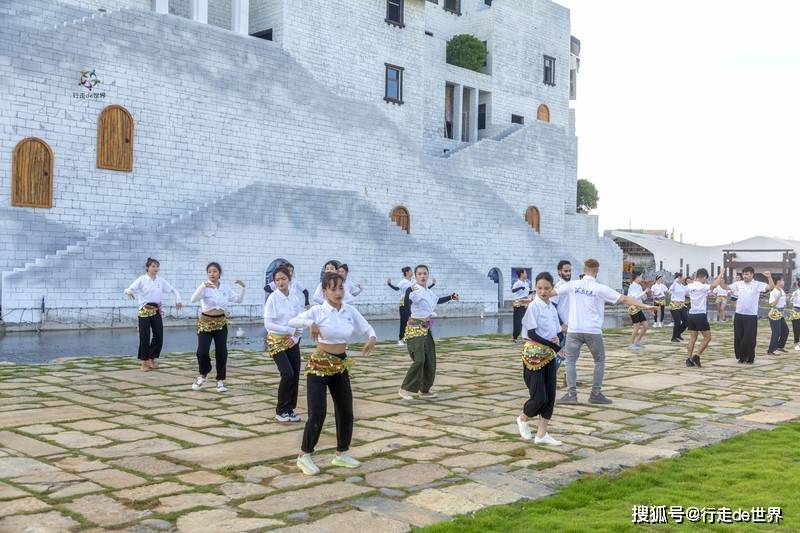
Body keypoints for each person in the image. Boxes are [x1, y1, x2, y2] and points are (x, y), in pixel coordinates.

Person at [288, 272, 377, 476]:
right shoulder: (318, 311)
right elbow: (293, 321)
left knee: (346, 411)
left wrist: (372, 338)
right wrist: (310, 324)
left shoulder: (349, 310)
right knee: (317, 413)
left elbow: (367, 327)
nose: (338, 292)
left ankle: (341, 453)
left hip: (340, 366)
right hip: (319, 365)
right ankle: (304, 455)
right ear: (325, 291)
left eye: (340, 288)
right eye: (333, 288)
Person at [555, 259, 656, 405]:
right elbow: (625, 299)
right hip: (593, 331)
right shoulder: (600, 288)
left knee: (570, 361)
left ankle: (572, 394)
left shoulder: (573, 285)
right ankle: (595, 393)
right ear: (597, 271)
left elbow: (550, 293)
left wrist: (532, 300)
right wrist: (645, 306)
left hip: (574, 329)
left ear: (584, 270)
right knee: (599, 361)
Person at [398, 265, 459, 400]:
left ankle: (425, 390)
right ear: (415, 276)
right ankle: (404, 389)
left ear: (428, 275)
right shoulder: (413, 290)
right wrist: (408, 291)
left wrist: (451, 296)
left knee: (430, 360)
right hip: (415, 329)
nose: (423, 276)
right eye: (419, 274)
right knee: (419, 360)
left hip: (426, 328)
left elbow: (438, 300)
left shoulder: (429, 292)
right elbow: (406, 303)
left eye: (425, 273)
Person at [516, 272, 563, 446]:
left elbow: (556, 329)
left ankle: (542, 434)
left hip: (549, 355)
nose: (543, 291)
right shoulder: (533, 306)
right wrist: (556, 347)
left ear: (552, 289)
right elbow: (532, 333)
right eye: (540, 288)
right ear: (535, 288)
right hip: (534, 357)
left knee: (550, 396)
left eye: (547, 288)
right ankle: (523, 418)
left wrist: (557, 338)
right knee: (539, 397)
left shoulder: (551, 307)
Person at [190, 262, 246, 392]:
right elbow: (193, 299)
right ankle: (203, 375)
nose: (212, 274)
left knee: (222, 352)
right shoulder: (204, 286)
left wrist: (243, 288)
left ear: (219, 273)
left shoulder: (225, 288)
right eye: (209, 272)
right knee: (202, 352)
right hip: (205, 323)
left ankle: (220, 380)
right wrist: (202, 286)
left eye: (214, 271)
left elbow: (238, 300)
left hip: (221, 323)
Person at [124, 257, 182, 372]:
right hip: (144, 310)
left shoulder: (161, 281)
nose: (156, 268)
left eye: (157, 266)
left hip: (156, 310)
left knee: (159, 336)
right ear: (148, 267)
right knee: (144, 337)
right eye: (153, 266)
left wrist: (178, 300)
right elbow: (128, 289)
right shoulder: (142, 279)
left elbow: (173, 290)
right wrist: (129, 291)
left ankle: (151, 358)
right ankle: (144, 362)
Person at [264, 265, 303, 422]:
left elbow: (300, 321)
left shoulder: (294, 298)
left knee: (295, 374)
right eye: (277, 279)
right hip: (276, 341)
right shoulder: (273, 298)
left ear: (289, 279)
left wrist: (295, 338)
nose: (280, 282)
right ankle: (280, 410)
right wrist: (287, 330)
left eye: (283, 279)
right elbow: (268, 324)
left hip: (292, 341)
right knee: (287, 373)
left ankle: (290, 409)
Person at [718, 267, 774, 364]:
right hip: (739, 314)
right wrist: (721, 280)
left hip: (751, 315)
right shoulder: (738, 284)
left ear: (752, 274)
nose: (745, 276)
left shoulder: (757, 284)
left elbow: (771, 287)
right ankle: (741, 357)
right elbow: (725, 287)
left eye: (747, 274)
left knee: (749, 337)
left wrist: (769, 277)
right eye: (744, 274)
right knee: (739, 337)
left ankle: (750, 357)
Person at [387, 267, 436, 346]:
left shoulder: (414, 281)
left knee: (415, 321)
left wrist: (433, 284)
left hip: (413, 305)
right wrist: (389, 284)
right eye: (410, 271)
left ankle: (416, 338)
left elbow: (423, 288)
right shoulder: (403, 282)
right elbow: (396, 289)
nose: (412, 272)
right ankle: (401, 339)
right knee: (404, 322)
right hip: (404, 305)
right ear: (406, 272)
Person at [685, 269, 723, 368]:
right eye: (706, 279)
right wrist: (721, 273)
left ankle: (688, 359)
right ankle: (696, 356)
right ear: (704, 277)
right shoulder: (702, 286)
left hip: (691, 314)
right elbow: (714, 285)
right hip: (700, 315)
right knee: (707, 337)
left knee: (693, 338)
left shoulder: (690, 286)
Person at [626, 272, 651, 349]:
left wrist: (647, 294)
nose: (641, 279)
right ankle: (631, 344)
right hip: (633, 308)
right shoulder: (632, 286)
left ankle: (637, 342)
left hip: (639, 308)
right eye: (641, 277)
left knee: (646, 326)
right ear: (637, 277)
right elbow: (634, 298)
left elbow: (642, 298)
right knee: (636, 327)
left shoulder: (639, 286)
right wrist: (644, 292)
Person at [767, 275, 789, 355]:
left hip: (780, 313)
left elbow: (783, 302)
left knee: (785, 330)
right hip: (774, 313)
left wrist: (788, 297)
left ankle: (780, 346)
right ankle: (771, 350)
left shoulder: (782, 290)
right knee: (776, 332)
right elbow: (772, 304)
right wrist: (778, 297)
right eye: (782, 280)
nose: (783, 282)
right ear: (778, 281)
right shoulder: (774, 292)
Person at [511, 270, 533, 344]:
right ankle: (515, 336)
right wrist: (520, 287)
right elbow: (513, 290)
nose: (526, 274)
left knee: (526, 320)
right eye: (525, 273)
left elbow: (526, 292)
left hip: (526, 302)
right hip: (519, 303)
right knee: (518, 321)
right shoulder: (517, 283)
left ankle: (526, 336)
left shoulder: (526, 283)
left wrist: (533, 292)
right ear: (521, 274)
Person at [668, 273, 689, 342]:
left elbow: (686, 293)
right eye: (682, 277)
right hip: (674, 305)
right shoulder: (674, 285)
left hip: (682, 305)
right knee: (677, 322)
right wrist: (675, 281)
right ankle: (673, 337)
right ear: (679, 278)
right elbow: (669, 290)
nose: (684, 278)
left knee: (686, 321)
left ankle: (678, 334)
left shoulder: (682, 286)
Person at [790, 279, 800, 351]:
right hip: (796, 311)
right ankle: (796, 344)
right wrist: (793, 296)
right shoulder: (796, 292)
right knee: (796, 328)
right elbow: (791, 301)